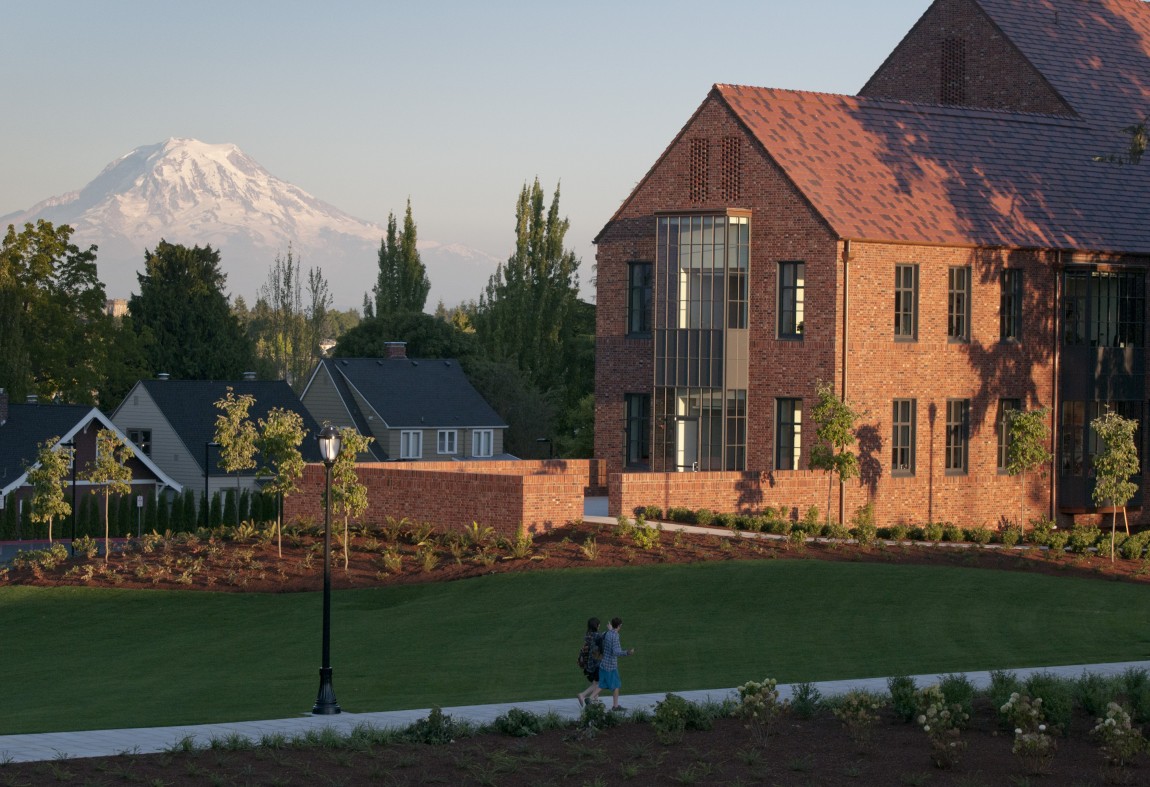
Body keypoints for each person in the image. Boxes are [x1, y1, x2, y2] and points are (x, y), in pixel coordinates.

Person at [590, 616, 635, 710]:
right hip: (611, 666)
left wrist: (611, 629)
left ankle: (589, 699)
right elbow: (616, 652)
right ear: (620, 626)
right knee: (616, 685)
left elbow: (605, 634)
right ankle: (615, 706)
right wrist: (627, 652)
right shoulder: (615, 636)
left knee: (602, 684)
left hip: (603, 664)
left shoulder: (607, 633)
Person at [576, 617, 602, 707]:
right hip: (596, 664)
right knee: (599, 683)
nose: (599, 626)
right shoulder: (597, 636)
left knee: (595, 682)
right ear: (596, 626)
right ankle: (582, 695)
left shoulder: (587, 635)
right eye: (599, 625)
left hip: (589, 665)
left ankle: (595, 700)